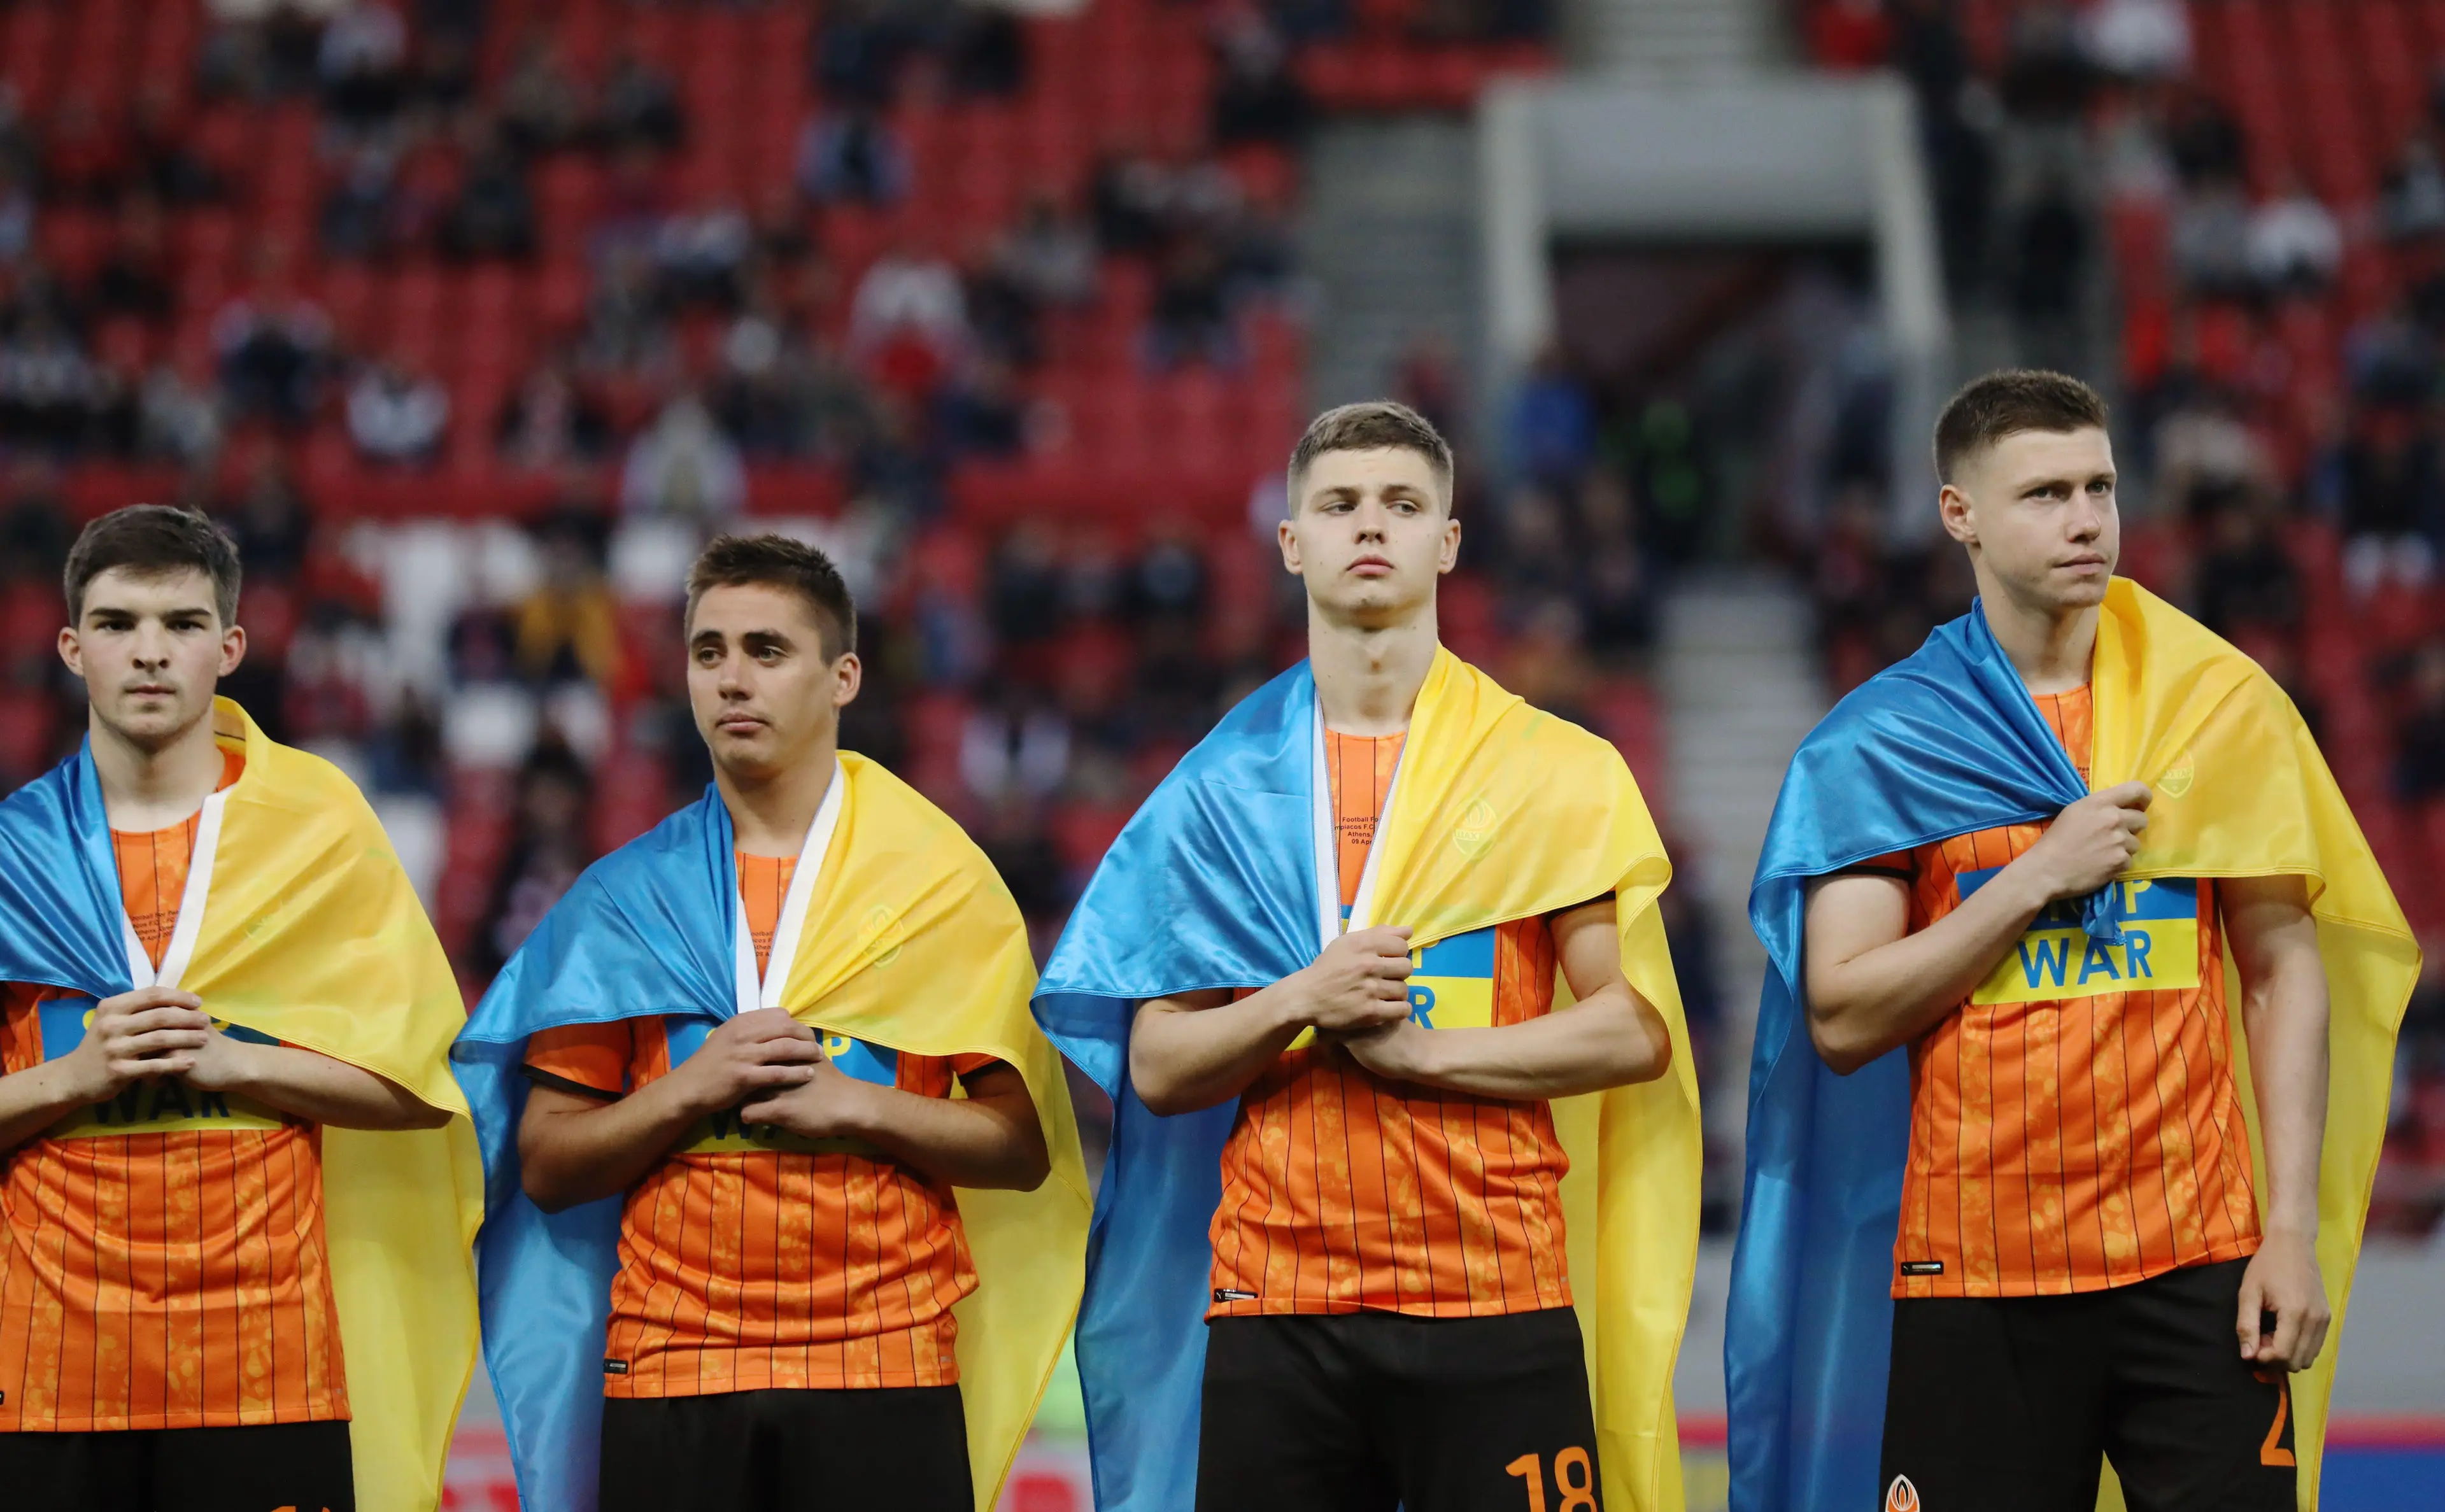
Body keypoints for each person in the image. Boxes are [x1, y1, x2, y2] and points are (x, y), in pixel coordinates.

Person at [1726, 371, 2415, 1512]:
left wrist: (2289, 1228)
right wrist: (2034, 878)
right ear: (1962, 517)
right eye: (2045, 493)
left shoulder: (2215, 705)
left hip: (2199, 1265)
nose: (2088, 519)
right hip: (1976, 1275)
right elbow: (1842, 1014)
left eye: (2099, 486)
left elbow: (2283, 964)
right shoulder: (1883, 744)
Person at [1034, 401, 1703, 1512]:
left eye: (1403, 504)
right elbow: (1156, 1064)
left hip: (1496, 1292)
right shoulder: (1217, 793)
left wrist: (1417, 1053)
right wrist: (1302, 998)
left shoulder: (1555, 769)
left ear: (1448, 541)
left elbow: (1633, 1026)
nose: (1370, 527)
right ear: (1292, 542)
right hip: (1280, 1304)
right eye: (1339, 505)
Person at [455, 533, 1090, 1512]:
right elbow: (546, 1160)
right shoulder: (626, 903)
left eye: (767, 650)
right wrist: (691, 1089)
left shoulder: (937, 889)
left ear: (843, 676)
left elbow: (1021, 1143)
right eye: (709, 652)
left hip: (884, 1356)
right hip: (675, 1360)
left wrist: (856, 1108)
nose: (732, 679)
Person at [0, 504, 479, 1512]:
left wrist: (232, 1063)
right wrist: (71, 1079)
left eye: (180, 624)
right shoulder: (14, 857)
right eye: (119, 623)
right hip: (48, 1378)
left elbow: (421, 1087)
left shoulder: (319, 832)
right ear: (71, 647)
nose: (149, 653)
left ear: (231, 646)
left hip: (270, 1368)